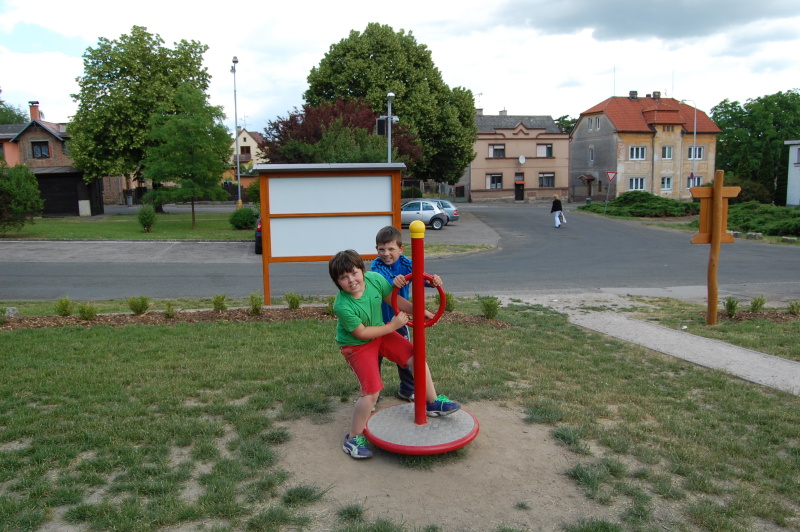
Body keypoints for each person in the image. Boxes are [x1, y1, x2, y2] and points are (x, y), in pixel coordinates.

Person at [329, 249, 461, 459]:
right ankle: (353, 438)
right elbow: (362, 333)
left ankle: (433, 402)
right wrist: (392, 326)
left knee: (416, 357)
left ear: (362, 271)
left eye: (354, 273)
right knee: (371, 392)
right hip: (357, 345)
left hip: (380, 333)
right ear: (337, 282)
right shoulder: (342, 305)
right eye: (344, 278)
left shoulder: (374, 280)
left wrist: (418, 310)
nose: (351, 280)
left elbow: (394, 300)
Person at [370, 226, 443, 402]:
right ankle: (373, 394)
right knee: (374, 357)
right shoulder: (376, 265)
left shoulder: (406, 263)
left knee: (406, 355)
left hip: (399, 318)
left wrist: (433, 282)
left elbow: (420, 276)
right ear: (376, 249)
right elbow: (384, 282)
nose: (386, 254)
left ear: (401, 249)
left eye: (391, 249)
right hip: (378, 320)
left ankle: (407, 389)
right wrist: (394, 281)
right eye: (382, 249)